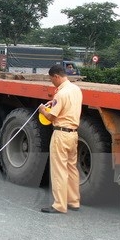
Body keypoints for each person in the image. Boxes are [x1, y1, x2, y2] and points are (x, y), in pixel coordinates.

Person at [37, 64, 83, 214]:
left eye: (52, 79)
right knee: (72, 168)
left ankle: (59, 205)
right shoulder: (76, 90)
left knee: (59, 170)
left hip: (61, 134)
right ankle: (74, 201)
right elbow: (66, 107)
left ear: (56, 76)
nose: (52, 83)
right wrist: (53, 104)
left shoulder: (61, 94)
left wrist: (42, 109)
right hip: (73, 134)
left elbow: (51, 116)